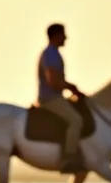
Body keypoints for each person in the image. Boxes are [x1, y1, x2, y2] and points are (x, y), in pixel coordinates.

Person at [36, 23, 89, 172]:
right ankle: (68, 159)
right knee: (76, 120)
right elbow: (53, 81)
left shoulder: (53, 53)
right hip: (50, 99)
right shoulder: (51, 54)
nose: (66, 37)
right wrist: (72, 88)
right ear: (56, 36)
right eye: (63, 34)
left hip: (56, 97)